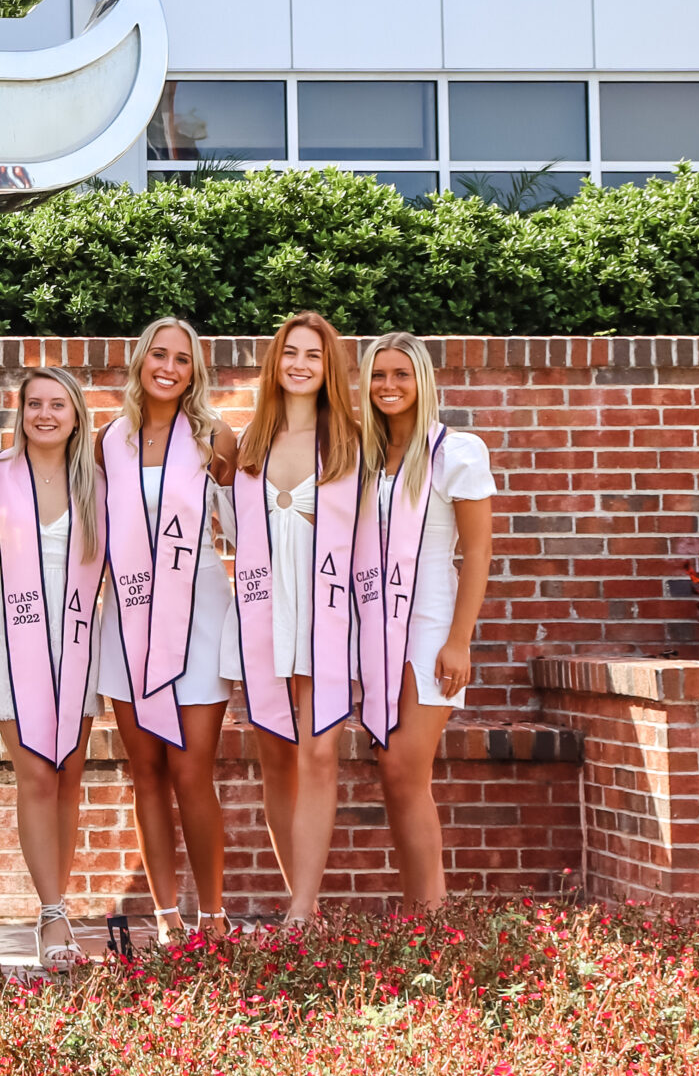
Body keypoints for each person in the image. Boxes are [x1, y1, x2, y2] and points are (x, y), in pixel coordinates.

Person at [97, 315, 239, 945]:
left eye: (183, 359)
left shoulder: (216, 440)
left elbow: (243, 530)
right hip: (127, 621)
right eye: (160, 354)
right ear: (141, 360)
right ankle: (166, 918)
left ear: (195, 372)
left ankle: (213, 915)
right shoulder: (109, 441)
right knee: (146, 773)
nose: (169, 367)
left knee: (191, 773)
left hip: (197, 620)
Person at [0, 366, 106, 970]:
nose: (45, 414)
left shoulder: (97, 481)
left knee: (69, 773)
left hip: (76, 634)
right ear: (20, 414)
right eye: (34, 405)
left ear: (76, 416)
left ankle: (58, 902)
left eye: (58, 405)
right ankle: (51, 914)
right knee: (37, 777)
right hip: (12, 632)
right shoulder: (1, 474)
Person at [222, 312, 362, 923]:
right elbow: (226, 529)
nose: (300, 364)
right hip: (263, 611)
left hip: (326, 614)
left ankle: (302, 911)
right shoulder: (248, 442)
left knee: (319, 754)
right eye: (289, 354)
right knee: (275, 756)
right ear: (275, 365)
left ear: (329, 367)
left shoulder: (354, 442)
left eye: (313, 355)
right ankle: (297, 898)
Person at [356, 332, 497, 908]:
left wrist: (459, 640)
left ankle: (432, 922)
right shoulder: (359, 454)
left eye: (401, 375)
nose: (389, 386)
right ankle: (421, 918)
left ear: (422, 381)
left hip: (428, 629)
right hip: (369, 628)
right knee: (393, 776)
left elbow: (478, 552)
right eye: (379, 375)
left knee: (404, 771)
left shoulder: (456, 452)